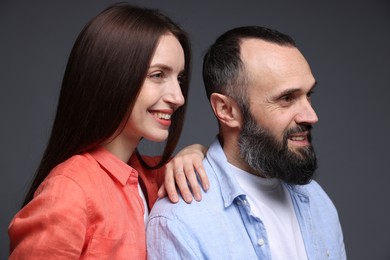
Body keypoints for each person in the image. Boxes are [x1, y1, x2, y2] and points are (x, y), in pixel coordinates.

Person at [8, 3, 209, 259]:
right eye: (158, 75)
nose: (178, 97)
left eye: (179, 79)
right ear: (113, 76)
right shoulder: (70, 191)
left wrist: (195, 152)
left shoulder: (159, 177)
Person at [147, 26, 347, 259]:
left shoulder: (317, 200)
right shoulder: (181, 222)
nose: (311, 116)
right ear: (227, 110)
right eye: (286, 98)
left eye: (308, 95)